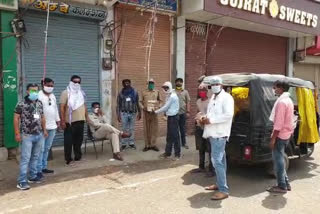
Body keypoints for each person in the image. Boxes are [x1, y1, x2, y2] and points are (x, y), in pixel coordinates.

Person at [201, 76, 234, 200]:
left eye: (216, 84)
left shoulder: (227, 98)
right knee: (221, 161)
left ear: (221, 85)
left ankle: (223, 190)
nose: (214, 86)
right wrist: (203, 118)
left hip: (220, 134)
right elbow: (211, 114)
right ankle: (220, 183)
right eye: (212, 85)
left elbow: (228, 115)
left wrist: (211, 120)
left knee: (216, 161)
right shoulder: (213, 97)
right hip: (212, 133)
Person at [14, 83, 48, 190]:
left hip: (39, 134)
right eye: (32, 91)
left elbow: (42, 117)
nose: (35, 93)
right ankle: (22, 181)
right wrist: (17, 133)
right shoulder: (21, 104)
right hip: (27, 135)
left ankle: (32, 176)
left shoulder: (39, 103)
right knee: (25, 158)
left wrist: (45, 130)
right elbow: (16, 119)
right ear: (27, 91)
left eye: (36, 91)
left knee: (35, 157)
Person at [267, 80, 294, 194]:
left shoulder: (282, 103)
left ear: (281, 88)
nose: (274, 89)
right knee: (280, 160)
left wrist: (273, 139)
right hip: (285, 135)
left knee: (278, 161)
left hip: (280, 135)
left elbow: (278, 124)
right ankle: (286, 184)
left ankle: (281, 186)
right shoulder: (288, 100)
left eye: (276, 87)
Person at [60, 75, 89, 166]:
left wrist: (87, 117)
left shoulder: (81, 93)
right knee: (68, 141)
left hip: (81, 120)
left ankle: (78, 156)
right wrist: (63, 120)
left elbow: (84, 106)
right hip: (70, 122)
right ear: (70, 82)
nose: (76, 83)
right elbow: (62, 107)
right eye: (74, 82)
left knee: (79, 140)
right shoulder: (65, 93)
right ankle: (68, 159)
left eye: (78, 82)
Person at [37, 78, 60, 177]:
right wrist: (41, 126)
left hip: (52, 126)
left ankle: (44, 167)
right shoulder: (38, 95)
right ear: (43, 85)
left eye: (52, 86)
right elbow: (37, 112)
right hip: (42, 127)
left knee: (47, 148)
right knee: (40, 149)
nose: (50, 87)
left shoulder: (53, 96)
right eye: (48, 85)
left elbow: (55, 109)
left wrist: (58, 120)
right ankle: (38, 169)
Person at [155, 81, 180, 160]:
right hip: (170, 117)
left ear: (169, 87)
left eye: (166, 88)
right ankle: (167, 153)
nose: (165, 89)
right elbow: (166, 107)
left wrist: (156, 112)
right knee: (169, 136)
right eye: (164, 88)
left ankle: (177, 154)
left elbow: (166, 107)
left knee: (175, 136)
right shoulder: (168, 96)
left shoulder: (173, 96)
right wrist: (164, 114)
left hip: (174, 117)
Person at [192, 87, 214, 175]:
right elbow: (198, 111)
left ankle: (211, 169)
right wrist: (197, 118)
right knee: (201, 147)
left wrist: (204, 118)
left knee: (209, 148)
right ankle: (201, 166)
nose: (202, 92)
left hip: (208, 127)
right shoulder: (198, 101)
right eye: (200, 91)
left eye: (203, 91)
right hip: (200, 127)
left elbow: (211, 114)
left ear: (206, 91)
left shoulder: (210, 102)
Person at [117, 79, 141, 150]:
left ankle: (131, 143)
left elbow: (137, 103)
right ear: (123, 84)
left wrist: (140, 113)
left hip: (133, 113)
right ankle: (123, 144)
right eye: (125, 83)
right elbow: (118, 105)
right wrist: (118, 115)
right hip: (124, 113)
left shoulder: (135, 92)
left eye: (128, 83)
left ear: (130, 83)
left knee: (131, 129)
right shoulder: (120, 93)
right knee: (124, 129)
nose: (126, 84)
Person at [140, 78, 162, 152]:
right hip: (146, 113)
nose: (151, 84)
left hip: (154, 113)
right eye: (150, 83)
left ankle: (153, 145)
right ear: (147, 84)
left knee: (154, 129)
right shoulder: (143, 92)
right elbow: (139, 102)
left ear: (154, 84)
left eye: (152, 83)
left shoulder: (157, 92)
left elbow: (160, 101)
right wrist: (143, 108)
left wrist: (158, 107)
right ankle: (147, 145)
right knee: (146, 129)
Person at [175, 78, 191, 149]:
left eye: (180, 82)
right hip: (175, 113)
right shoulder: (173, 92)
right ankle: (176, 143)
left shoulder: (185, 92)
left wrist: (188, 111)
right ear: (175, 83)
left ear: (182, 83)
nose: (179, 83)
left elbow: (188, 102)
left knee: (182, 129)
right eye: (177, 82)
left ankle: (184, 143)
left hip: (183, 113)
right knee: (175, 129)